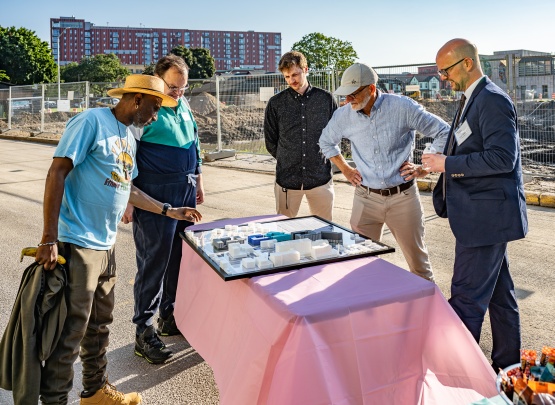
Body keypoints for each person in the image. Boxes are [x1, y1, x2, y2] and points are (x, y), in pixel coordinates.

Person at [33, 74, 202, 405]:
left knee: (99, 326)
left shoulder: (127, 135)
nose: (156, 116)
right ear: (136, 99)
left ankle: (95, 392)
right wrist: (49, 237)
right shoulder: (91, 122)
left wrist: (169, 210)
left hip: (106, 243)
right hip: (77, 243)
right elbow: (57, 172)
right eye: (154, 107)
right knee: (71, 333)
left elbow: (129, 188)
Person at [423, 38, 528, 370]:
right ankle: (506, 369)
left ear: (467, 63)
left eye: (446, 70)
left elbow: (502, 158)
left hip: (486, 220)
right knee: (501, 299)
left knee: (466, 301)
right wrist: (441, 162)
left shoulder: (492, 101)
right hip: (483, 217)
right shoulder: (471, 99)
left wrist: (446, 165)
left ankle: (456, 379)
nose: (442, 78)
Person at [319, 63, 450, 281]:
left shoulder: (403, 107)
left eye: (352, 95)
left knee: (419, 267)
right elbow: (326, 142)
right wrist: (346, 169)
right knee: (361, 264)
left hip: (403, 199)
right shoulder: (343, 115)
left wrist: (424, 167)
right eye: (345, 95)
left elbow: (444, 132)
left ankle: (430, 313)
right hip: (365, 199)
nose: (347, 100)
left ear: (370, 89)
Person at [122, 54, 204, 365]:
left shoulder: (182, 104)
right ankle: (144, 331)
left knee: (179, 260)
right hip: (155, 195)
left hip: (184, 189)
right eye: (173, 88)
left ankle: (170, 316)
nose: (178, 94)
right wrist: (129, 198)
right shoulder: (146, 109)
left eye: (183, 89)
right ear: (159, 79)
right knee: (153, 262)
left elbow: (194, 143)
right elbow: (127, 155)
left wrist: (198, 180)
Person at [264, 51, 338, 221]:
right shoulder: (276, 103)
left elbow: (335, 134)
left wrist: (321, 157)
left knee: (324, 229)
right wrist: (288, 157)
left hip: (320, 177)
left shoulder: (326, 99)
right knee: (284, 229)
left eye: (295, 74)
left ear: (306, 70)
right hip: (287, 180)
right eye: (287, 76)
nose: (292, 80)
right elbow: (270, 140)